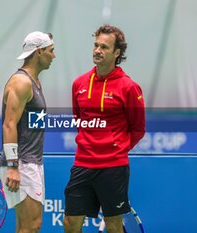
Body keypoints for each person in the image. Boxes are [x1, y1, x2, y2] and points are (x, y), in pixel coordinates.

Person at [63, 24, 146, 233]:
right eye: (96, 45)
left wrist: (117, 148)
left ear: (117, 52)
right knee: (70, 223)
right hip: (82, 163)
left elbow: (138, 128)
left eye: (104, 47)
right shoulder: (79, 83)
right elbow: (79, 119)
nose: (97, 50)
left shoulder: (129, 87)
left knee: (113, 225)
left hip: (113, 168)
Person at [0, 31, 55, 233]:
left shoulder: (34, 81)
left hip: (32, 162)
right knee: (31, 226)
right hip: (21, 163)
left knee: (27, 226)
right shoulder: (21, 82)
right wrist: (12, 166)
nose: (53, 56)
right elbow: (9, 125)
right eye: (51, 51)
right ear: (38, 52)